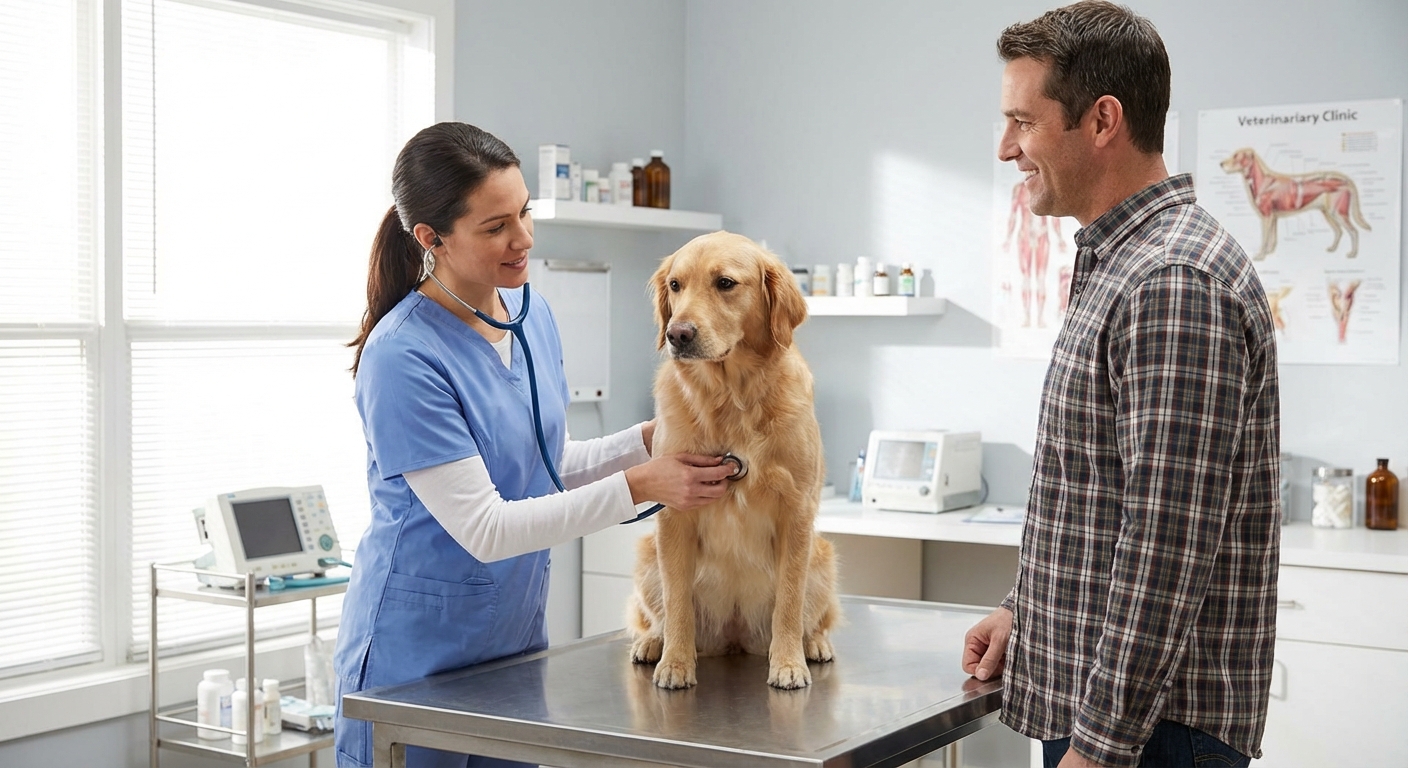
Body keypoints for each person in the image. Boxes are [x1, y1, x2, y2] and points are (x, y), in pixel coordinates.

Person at [335, 122, 736, 768]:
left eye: (524, 213)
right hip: (414, 662)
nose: (522, 239)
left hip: (511, 651)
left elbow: (548, 467)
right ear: (430, 238)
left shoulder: (530, 314)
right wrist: (643, 485)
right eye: (495, 227)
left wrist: (647, 442)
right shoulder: (402, 357)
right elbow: (487, 527)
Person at [962, 4, 1281, 768]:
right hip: (1118, 715)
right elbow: (1097, 498)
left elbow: (1162, 546)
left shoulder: (1172, 278)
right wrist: (1025, 612)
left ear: (1102, 119)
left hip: (1149, 735)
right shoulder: (1122, 263)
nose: (1006, 148)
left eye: (1023, 122)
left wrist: (1100, 749)